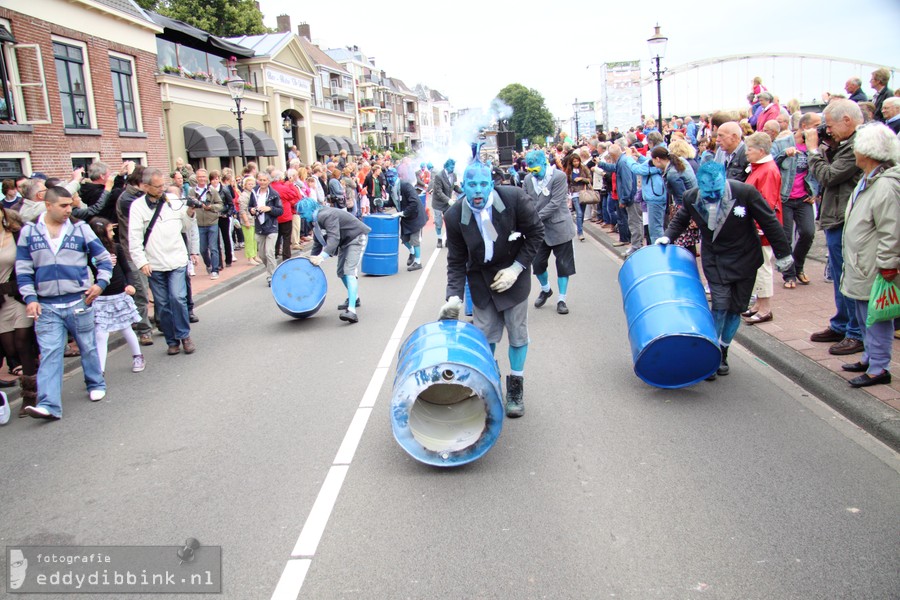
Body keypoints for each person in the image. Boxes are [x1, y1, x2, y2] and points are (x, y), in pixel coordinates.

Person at [658, 162, 793, 379]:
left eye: (716, 191)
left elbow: (769, 222)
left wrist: (784, 255)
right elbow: (681, 219)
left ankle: (723, 350)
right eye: (707, 191)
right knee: (720, 306)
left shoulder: (744, 192)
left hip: (745, 259)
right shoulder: (692, 197)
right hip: (716, 259)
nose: (711, 195)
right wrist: (667, 236)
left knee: (734, 309)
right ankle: (708, 354)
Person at [439, 155, 544, 418]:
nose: (477, 190)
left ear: (492, 184)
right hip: (481, 280)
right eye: (471, 185)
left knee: (518, 334)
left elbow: (536, 234)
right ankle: (490, 381)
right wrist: (453, 298)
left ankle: (516, 388)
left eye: (483, 184)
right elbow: (456, 260)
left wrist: (517, 268)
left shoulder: (514, 199)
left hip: (514, 274)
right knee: (484, 337)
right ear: (462, 185)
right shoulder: (454, 216)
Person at [16, 186, 112, 420]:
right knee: (50, 353)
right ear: (47, 205)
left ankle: (95, 382)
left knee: (87, 346)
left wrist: (100, 283)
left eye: (70, 205)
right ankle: (49, 405)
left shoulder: (80, 229)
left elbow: (103, 258)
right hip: (46, 305)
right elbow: (23, 269)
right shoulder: (29, 232)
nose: (69, 209)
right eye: (63, 205)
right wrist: (30, 298)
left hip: (78, 300)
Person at [837, 123, 900, 387]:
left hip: (873, 265)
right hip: (861, 262)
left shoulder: (884, 185)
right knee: (864, 316)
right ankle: (870, 357)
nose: (854, 151)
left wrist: (887, 264)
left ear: (868, 151)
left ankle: (879, 368)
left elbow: (891, 229)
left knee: (876, 318)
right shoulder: (869, 179)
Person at [805, 99, 865, 355]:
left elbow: (828, 176)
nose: (827, 131)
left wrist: (813, 151)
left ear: (847, 120)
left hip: (845, 219)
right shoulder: (846, 144)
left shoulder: (859, 146)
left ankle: (854, 332)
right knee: (840, 276)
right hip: (837, 216)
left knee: (847, 277)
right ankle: (842, 324)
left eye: (830, 126)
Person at [129, 169, 197, 356]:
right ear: (145, 186)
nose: (161, 189)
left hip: (176, 259)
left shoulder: (172, 201)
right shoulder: (137, 207)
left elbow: (186, 226)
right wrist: (141, 262)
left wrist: (191, 212)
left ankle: (184, 336)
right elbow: (134, 238)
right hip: (154, 263)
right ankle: (171, 340)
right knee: (163, 304)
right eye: (157, 186)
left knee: (177, 298)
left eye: (163, 185)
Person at [299, 198, 370, 324]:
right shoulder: (315, 220)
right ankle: (355, 298)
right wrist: (310, 260)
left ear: (309, 210)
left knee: (349, 271)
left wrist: (322, 257)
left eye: (302, 213)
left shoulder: (326, 215)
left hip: (356, 237)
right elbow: (317, 242)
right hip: (345, 242)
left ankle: (352, 311)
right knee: (341, 272)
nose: (302, 217)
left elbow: (334, 238)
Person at [88, 218, 144, 374]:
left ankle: (137, 356)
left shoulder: (117, 248)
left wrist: (130, 284)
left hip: (119, 294)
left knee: (126, 328)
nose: (113, 233)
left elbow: (127, 269)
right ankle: (100, 370)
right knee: (101, 334)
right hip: (101, 298)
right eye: (110, 231)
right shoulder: (89, 252)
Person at [523, 149, 575, 314]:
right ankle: (546, 289)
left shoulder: (558, 177)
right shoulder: (527, 179)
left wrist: (534, 217)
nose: (533, 174)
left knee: (563, 265)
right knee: (537, 264)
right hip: (538, 232)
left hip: (560, 227)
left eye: (536, 170)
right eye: (530, 171)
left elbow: (555, 203)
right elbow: (524, 201)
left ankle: (562, 300)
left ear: (543, 164)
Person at [773, 112, 822, 287]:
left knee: (808, 233)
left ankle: (798, 266)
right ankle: (789, 275)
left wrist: (815, 192)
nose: (820, 128)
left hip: (804, 198)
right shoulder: (781, 144)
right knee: (785, 237)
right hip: (785, 198)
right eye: (816, 125)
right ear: (804, 127)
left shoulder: (816, 146)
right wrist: (783, 155)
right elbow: (770, 166)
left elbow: (819, 171)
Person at [0, 206, 39, 416]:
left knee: (22, 342)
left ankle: (29, 396)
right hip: (0, 303)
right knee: (10, 349)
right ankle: (36, 372)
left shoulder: (16, 234)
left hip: (18, 296)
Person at [742, 132, 783, 322]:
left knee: (763, 265)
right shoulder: (760, 168)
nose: (746, 153)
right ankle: (759, 303)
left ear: (760, 150)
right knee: (757, 265)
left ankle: (765, 307)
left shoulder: (767, 170)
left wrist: (759, 226)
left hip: (761, 227)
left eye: (749, 149)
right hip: (755, 225)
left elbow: (766, 202)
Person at [247, 172, 283, 286]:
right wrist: (252, 210)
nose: (262, 182)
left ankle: (272, 276)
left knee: (269, 252)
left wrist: (269, 208)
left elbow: (280, 210)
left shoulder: (274, 194)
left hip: (271, 227)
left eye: (264, 180)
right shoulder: (254, 192)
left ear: (268, 181)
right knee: (262, 254)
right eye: (260, 180)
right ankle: (274, 271)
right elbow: (249, 206)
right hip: (259, 227)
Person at [189, 169, 223, 280]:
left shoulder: (212, 191)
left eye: (204, 177)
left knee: (213, 247)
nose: (202, 179)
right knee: (203, 249)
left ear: (206, 178)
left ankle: (215, 270)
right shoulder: (192, 192)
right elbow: (187, 205)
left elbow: (220, 205)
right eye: (199, 177)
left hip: (212, 222)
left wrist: (211, 207)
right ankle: (208, 264)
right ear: (196, 178)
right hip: (198, 223)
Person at [394, 165, 427, 272]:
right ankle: (412, 253)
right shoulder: (394, 188)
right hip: (407, 217)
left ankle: (418, 262)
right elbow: (393, 201)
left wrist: (403, 213)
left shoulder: (406, 186)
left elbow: (413, 202)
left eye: (391, 176)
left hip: (415, 216)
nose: (389, 179)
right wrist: (382, 203)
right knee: (404, 239)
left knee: (414, 239)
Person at [431, 158, 461, 248]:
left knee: (449, 221)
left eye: (454, 166)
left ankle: (449, 239)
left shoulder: (454, 175)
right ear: (446, 166)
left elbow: (455, 187)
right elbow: (438, 192)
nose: (453, 168)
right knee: (438, 222)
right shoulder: (439, 176)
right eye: (452, 167)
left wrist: (463, 190)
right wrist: (449, 200)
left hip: (448, 203)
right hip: (438, 203)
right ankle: (439, 239)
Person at [564, 152, 591, 242]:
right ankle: (580, 233)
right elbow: (567, 182)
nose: (576, 163)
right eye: (574, 161)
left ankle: (580, 227)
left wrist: (582, 179)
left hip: (583, 193)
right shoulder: (569, 171)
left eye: (577, 161)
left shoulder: (584, 169)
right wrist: (568, 192)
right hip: (574, 193)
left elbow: (589, 179)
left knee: (582, 214)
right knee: (579, 213)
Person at [237, 176, 260, 265]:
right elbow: (242, 210)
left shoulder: (253, 194)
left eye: (252, 184)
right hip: (248, 220)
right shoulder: (244, 195)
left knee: (254, 239)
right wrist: (246, 221)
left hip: (254, 219)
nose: (251, 185)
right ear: (245, 185)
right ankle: (250, 257)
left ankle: (255, 255)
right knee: (249, 240)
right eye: (249, 184)